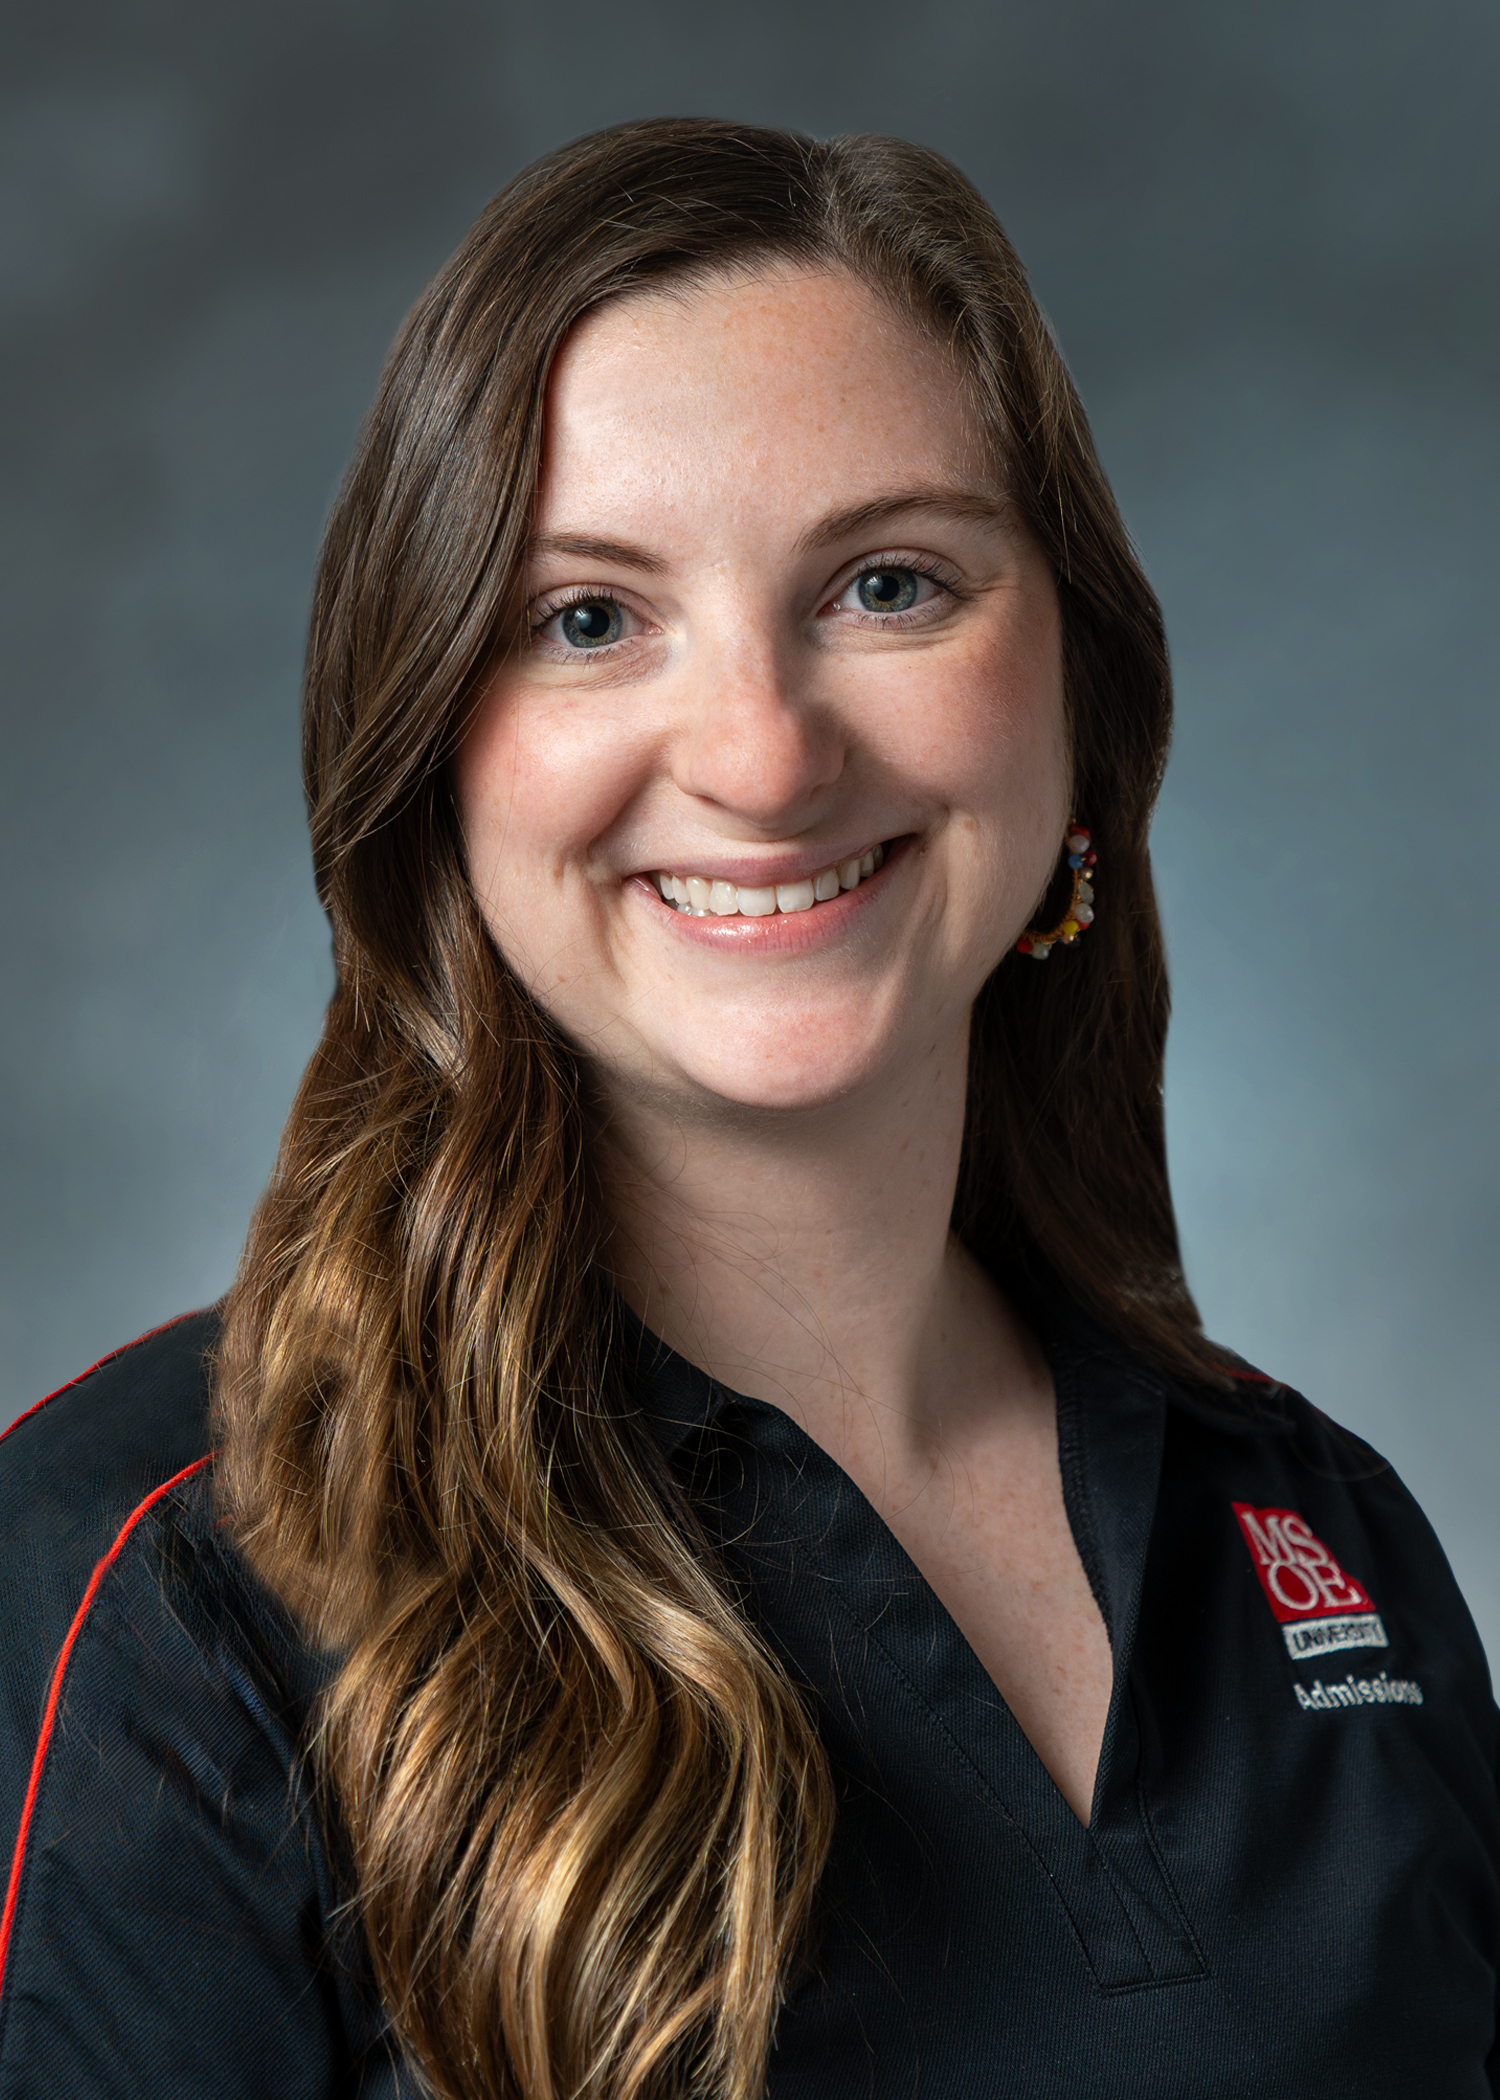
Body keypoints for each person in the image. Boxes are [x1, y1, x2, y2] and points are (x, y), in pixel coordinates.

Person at [1, 116, 1496, 2100]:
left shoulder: (1317, 1526)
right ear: (432, 750)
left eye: (887, 584)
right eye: (589, 620)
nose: (766, 758)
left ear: (1076, 692)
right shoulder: (164, 1587)